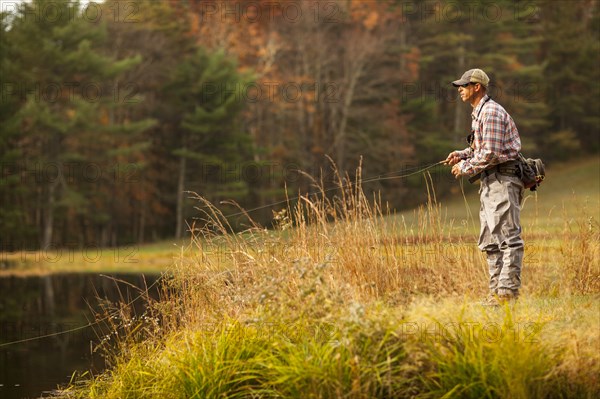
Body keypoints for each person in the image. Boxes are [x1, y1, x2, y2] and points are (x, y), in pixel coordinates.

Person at [444, 68, 524, 305]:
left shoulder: (490, 112)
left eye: (464, 85)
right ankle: (495, 295)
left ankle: (507, 294)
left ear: (476, 87)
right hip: (490, 182)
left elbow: (491, 153)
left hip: (502, 179)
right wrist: (461, 154)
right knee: (490, 241)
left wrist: (466, 168)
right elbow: (482, 147)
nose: (460, 89)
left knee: (509, 239)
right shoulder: (479, 113)